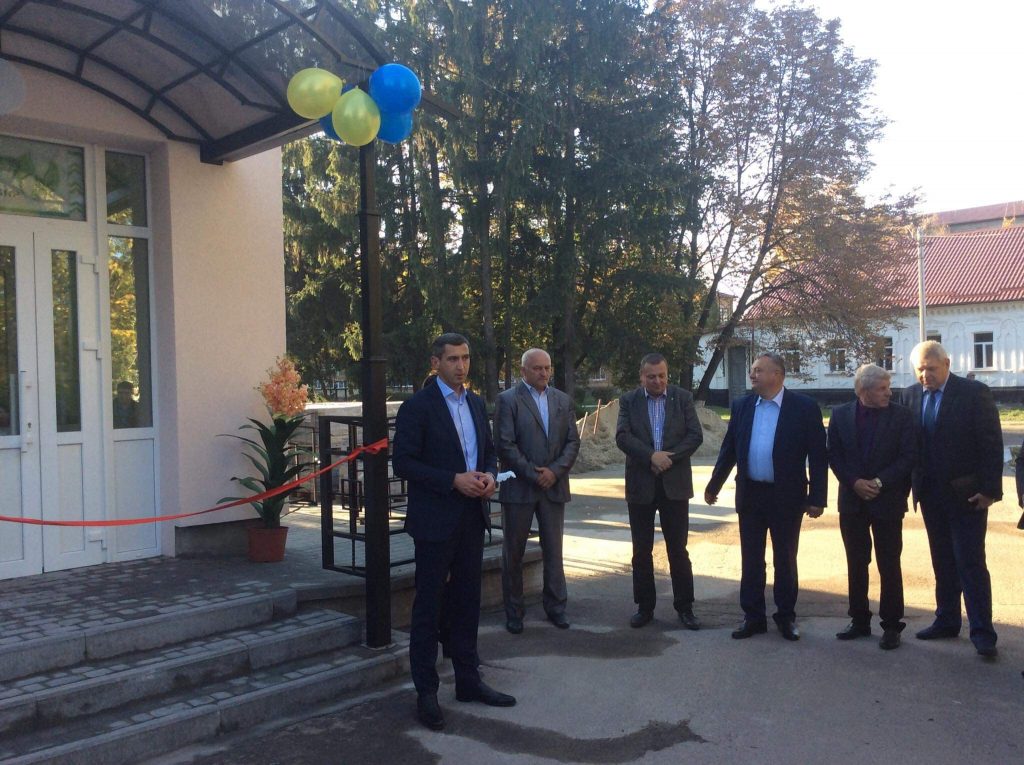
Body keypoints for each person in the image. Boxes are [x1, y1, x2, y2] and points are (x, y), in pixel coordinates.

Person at [391, 333, 515, 731]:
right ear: (435, 363)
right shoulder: (418, 406)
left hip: (471, 517)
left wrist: (490, 476)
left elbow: (489, 451)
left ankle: (468, 680)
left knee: (467, 601)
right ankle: (426, 691)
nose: (461, 366)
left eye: (465, 358)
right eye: (452, 359)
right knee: (429, 606)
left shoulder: (476, 403)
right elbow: (403, 463)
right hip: (434, 520)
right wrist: (452, 480)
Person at [705, 352, 827, 641]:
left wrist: (817, 497)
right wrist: (714, 485)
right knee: (751, 559)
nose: (753, 375)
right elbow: (730, 448)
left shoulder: (804, 408)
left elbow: (818, 456)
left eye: (759, 370)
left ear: (778, 375)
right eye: (753, 370)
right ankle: (753, 617)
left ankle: (785, 617)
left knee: (785, 559)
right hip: (751, 494)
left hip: (786, 496)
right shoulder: (743, 406)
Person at [900, 340, 1003, 658]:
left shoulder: (973, 393)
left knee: (970, 562)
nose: (925, 375)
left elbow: (991, 442)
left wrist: (990, 490)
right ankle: (946, 620)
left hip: (967, 495)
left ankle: (982, 632)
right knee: (942, 561)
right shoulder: (910, 395)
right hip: (930, 495)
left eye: (931, 368)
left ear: (946, 364)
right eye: (920, 370)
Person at [827, 364, 916, 650]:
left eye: (888, 387)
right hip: (852, 502)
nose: (889, 393)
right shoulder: (840, 415)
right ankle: (859, 620)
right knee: (856, 562)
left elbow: (908, 457)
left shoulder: (902, 416)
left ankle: (891, 625)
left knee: (889, 563)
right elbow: (834, 456)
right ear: (863, 391)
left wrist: (878, 482)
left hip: (887, 501)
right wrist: (854, 482)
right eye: (882, 388)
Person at [494, 348, 581, 633]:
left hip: (554, 486)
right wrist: (534, 474)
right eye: (537, 368)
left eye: (547, 367)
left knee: (554, 551)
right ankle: (514, 611)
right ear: (523, 371)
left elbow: (572, 442)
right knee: (514, 552)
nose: (544, 373)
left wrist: (554, 472)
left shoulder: (562, 400)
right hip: (519, 488)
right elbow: (504, 444)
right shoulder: (508, 400)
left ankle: (556, 607)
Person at [615, 353, 704, 629]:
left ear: (668, 375)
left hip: (674, 485)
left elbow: (695, 435)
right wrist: (651, 456)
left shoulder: (682, 398)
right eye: (651, 376)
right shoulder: (629, 401)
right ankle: (645, 607)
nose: (657, 381)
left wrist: (668, 458)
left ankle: (685, 607)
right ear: (642, 377)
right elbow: (622, 436)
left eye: (662, 375)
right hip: (641, 484)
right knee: (641, 550)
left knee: (678, 549)